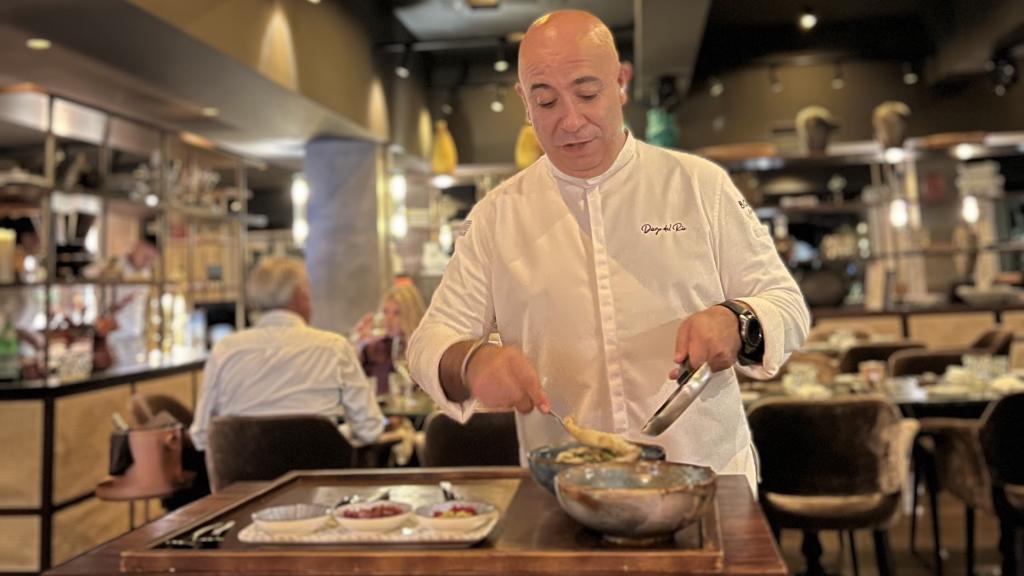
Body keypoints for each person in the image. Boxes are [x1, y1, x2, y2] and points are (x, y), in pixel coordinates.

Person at [407, 10, 810, 491]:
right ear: (524, 102)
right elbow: (428, 342)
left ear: (620, 82)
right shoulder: (498, 216)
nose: (570, 120)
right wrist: (471, 364)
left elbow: (786, 305)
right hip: (568, 491)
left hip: (705, 478)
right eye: (546, 101)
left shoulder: (698, 186)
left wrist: (738, 320)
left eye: (587, 93)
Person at [189, 256, 387, 452]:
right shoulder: (334, 348)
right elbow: (370, 429)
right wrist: (334, 435)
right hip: (319, 479)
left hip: (243, 481)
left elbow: (200, 436)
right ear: (300, 296)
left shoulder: (225, 351)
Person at [353, 281, 426, 395]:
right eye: (385, 312)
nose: (388, 319)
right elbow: (353, 380)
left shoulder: (424, 348)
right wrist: (359, 345)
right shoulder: (376, 349)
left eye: (397, 313)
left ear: (411, 314)